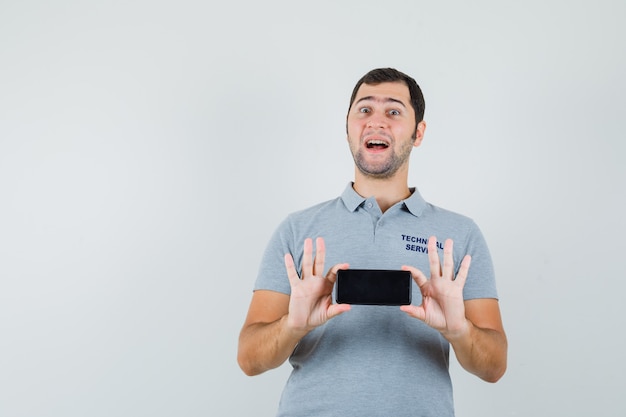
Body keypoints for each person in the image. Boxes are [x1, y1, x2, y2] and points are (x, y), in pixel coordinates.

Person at [237, 67, 507, 417]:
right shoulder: (297, 230)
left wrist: (459, 330)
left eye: (393, 111)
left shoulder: (461, 235)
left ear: (418, 132)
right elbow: (249, 359)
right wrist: (294, 325)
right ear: (348, 127)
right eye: (364, 110)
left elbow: (494, 366)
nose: (376, 121)